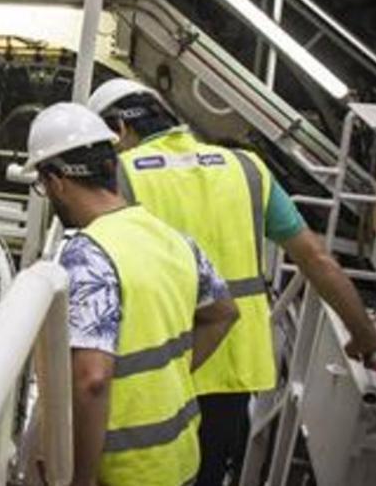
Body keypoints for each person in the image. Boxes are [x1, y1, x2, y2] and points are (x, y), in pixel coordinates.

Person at [87, 77, 376, 485]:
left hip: (154, 371)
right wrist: (368, 338)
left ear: (119, 128)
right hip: (233, 365)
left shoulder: (119, 180)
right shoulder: (247, 169)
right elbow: (317, 259)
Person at [24, 103, 240, 486]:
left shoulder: (88, 255)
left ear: (56, 181)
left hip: (126, 470)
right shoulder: (171, 237)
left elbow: (92, 381)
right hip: (181, 457)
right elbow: (224, 313)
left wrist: (81, 480)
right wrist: (162, 380)